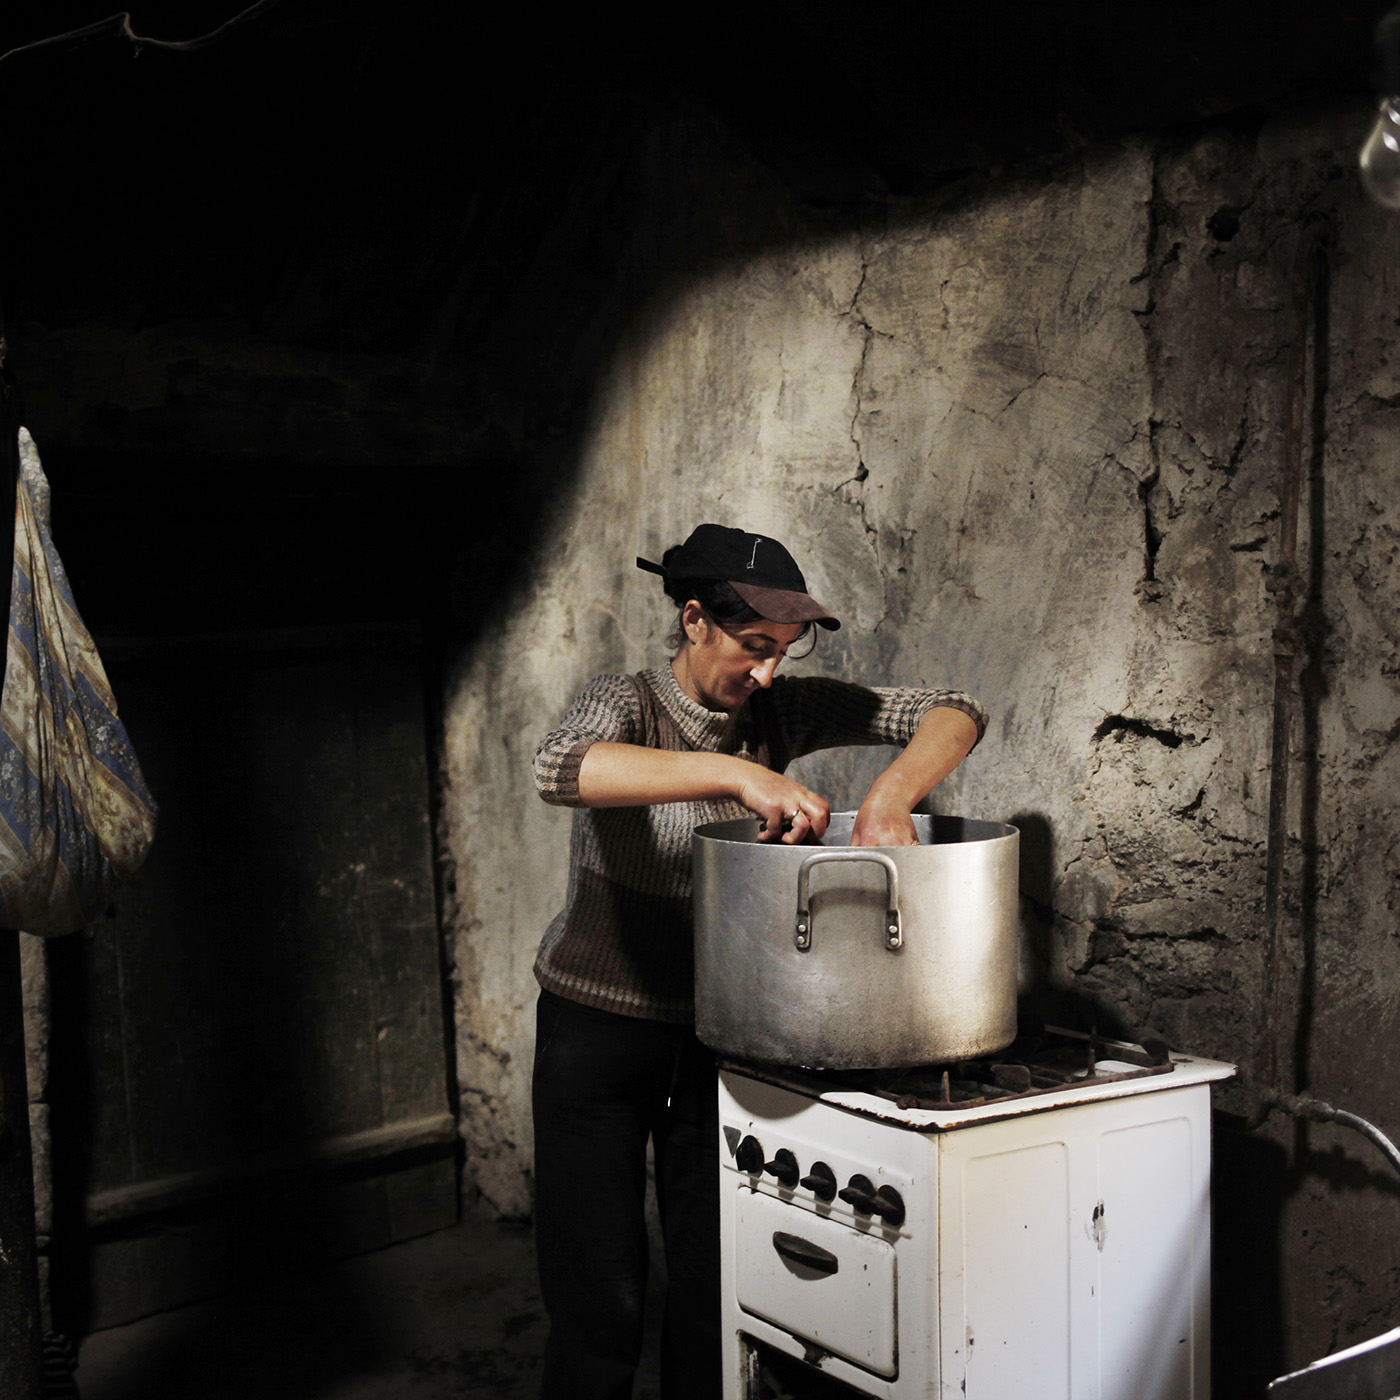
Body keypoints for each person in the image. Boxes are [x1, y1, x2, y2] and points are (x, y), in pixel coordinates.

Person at [530, 523, 986, 1399]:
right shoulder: (623, 700)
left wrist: (893, 793)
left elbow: (954, 707)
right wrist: (736, 777)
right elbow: (563, 767)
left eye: (782, 651)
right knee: (599, 1298)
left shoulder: (781, 710)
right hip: (594, 1032)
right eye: (753, 646)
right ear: (694, 620)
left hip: (718, 1032)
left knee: (714, 1285)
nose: (768, 671)